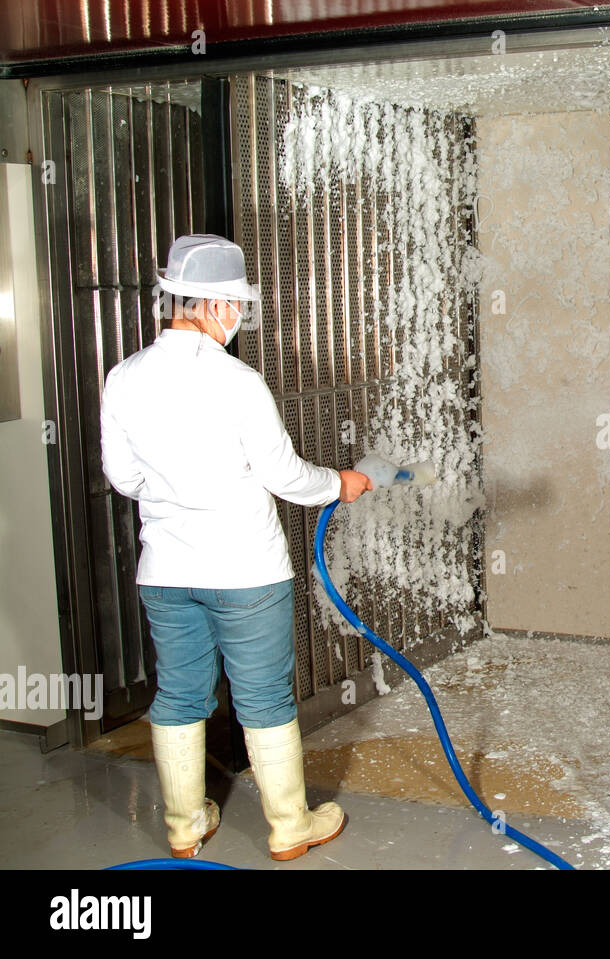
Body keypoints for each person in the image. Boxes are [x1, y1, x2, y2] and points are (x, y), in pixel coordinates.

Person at [99, 233, 373, 860]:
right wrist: (342, 483)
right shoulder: (239, 382)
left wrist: (175, 488)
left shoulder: (125, 377)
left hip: (166, 572)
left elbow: (124, 479)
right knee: (264, 697)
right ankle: (288, 827)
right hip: (247, 571)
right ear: (218, 306)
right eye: (237, 308)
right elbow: (286, 478)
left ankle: (184, 823)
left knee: (179, 694)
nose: (238, 321)